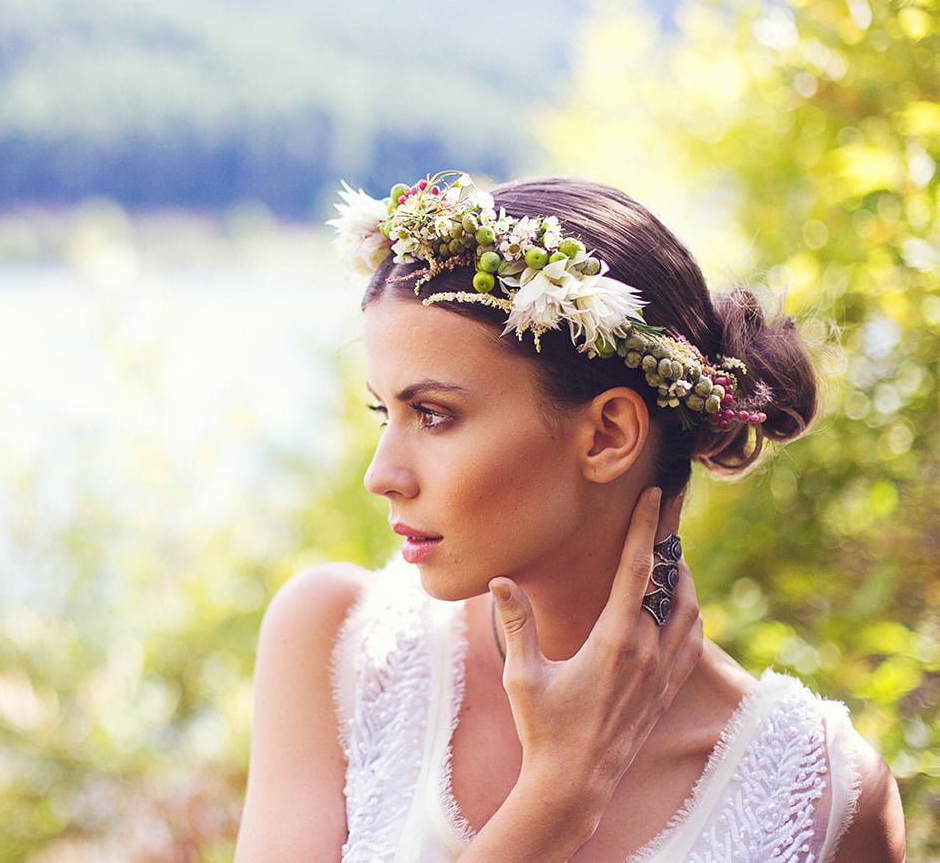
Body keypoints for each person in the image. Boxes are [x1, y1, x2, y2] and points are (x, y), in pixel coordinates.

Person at [234, 175, 905, 862]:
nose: (382, 476)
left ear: (609, 434)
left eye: (433, 415)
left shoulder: (825, 800)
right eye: (386, 413)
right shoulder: (337, 646)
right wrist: (559, 795)